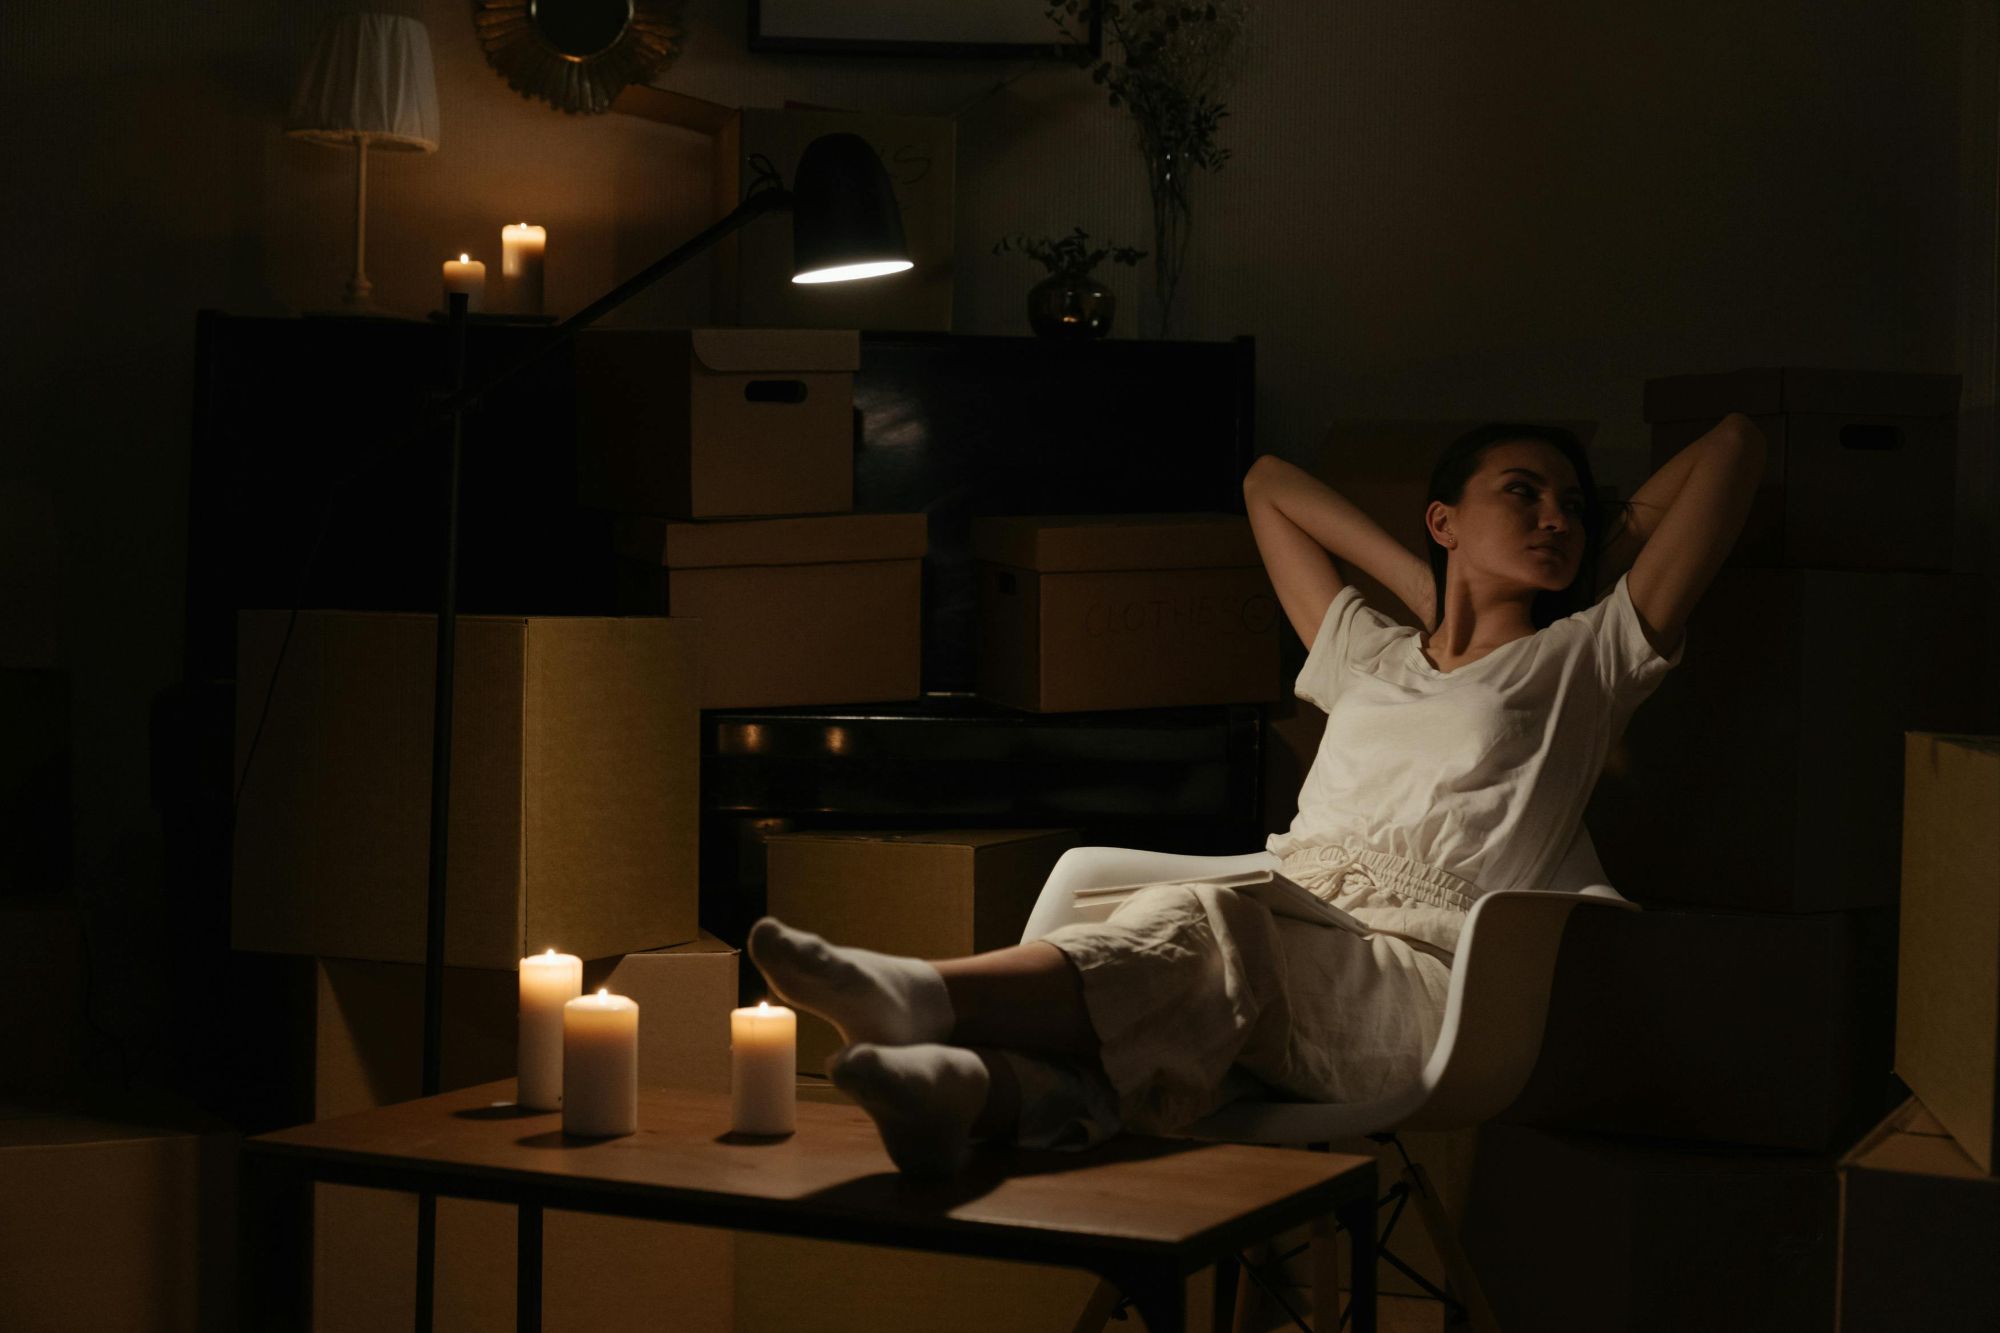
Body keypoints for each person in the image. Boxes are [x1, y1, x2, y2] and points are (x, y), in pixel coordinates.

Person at [747, 416, 1768, 1176]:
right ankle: (964, 1090)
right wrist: (1422, 583)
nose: (1553, 518)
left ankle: (924, 993)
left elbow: (1734, 446)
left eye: (1570, 509)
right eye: (1522, 493)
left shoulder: (1579, 662)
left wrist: (1598, 548)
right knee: (1201, 938)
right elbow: (1265, 484)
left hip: (1415, 982)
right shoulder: (1367, 652)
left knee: (1212, 921)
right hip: (1287, 923)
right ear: (1443, 517)